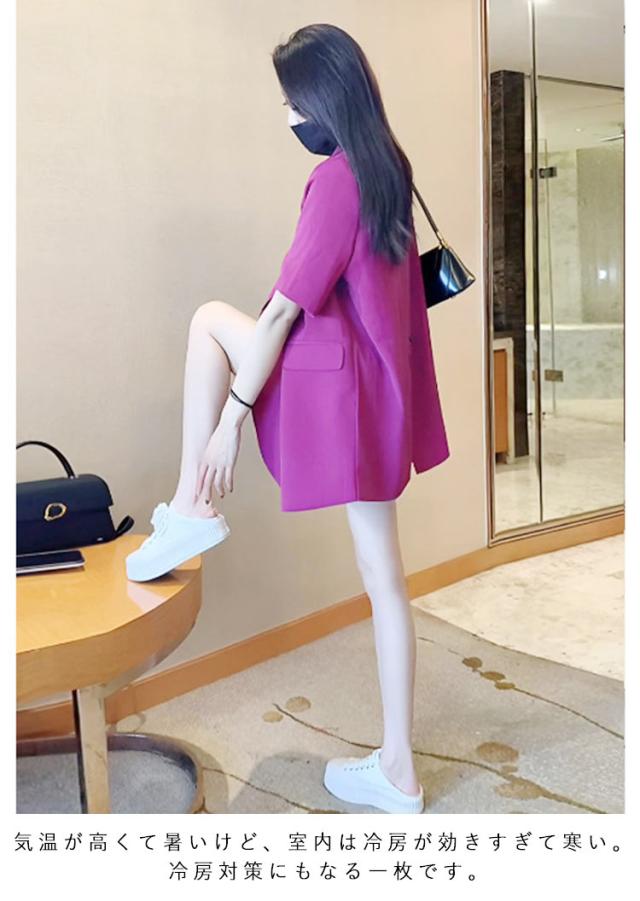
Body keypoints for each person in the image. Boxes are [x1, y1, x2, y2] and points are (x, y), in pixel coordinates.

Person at [126, 23, 450, 814]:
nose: (288, 116)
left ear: (322, 98)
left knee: (210, 320)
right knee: (385, 580)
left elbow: (279, 313)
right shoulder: (389, 167)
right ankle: (399, 768)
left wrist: (232, 419)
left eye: (292, 101)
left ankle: (192, 507)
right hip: (380, 397)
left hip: (334, 388)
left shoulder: (337, 180)